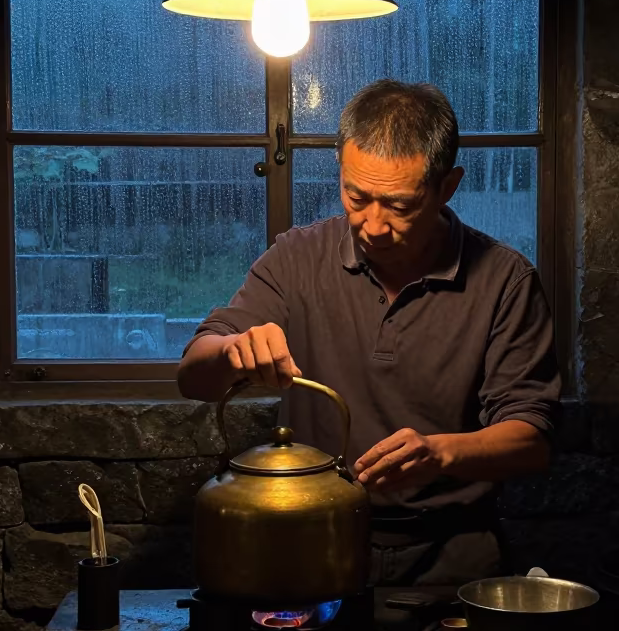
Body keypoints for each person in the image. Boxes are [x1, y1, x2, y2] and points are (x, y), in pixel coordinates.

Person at [178, 79, 560, 585]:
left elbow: (532, 441)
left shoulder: (505, 280)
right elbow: (193, 378)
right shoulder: (296, 257)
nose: (373, 226)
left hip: (452, 551)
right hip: (310, 535)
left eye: (399, 206)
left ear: (447, 187)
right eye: (356, 197)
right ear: (341, 167)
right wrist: (230, 351)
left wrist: (440, 453)